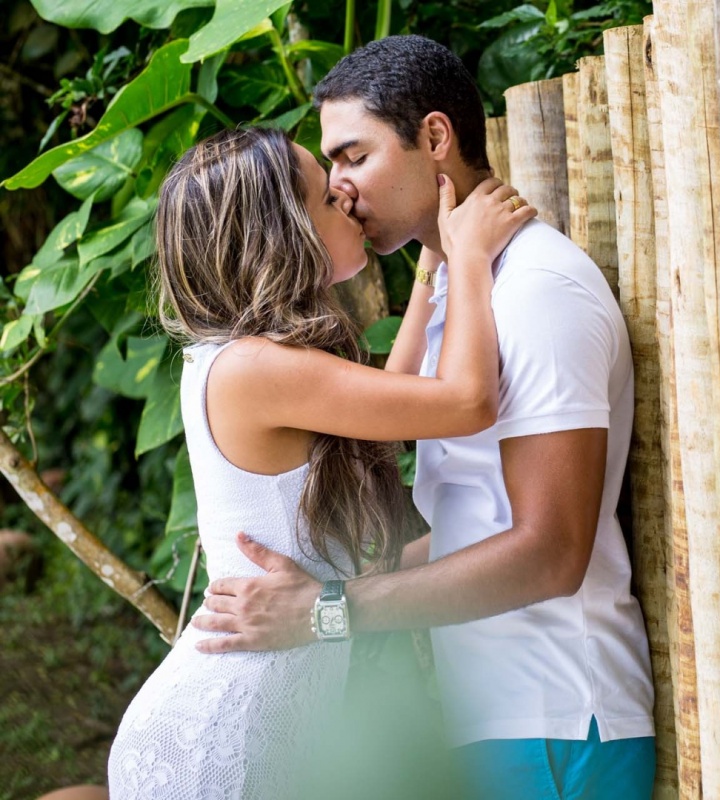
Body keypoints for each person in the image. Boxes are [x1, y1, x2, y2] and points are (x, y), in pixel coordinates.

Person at [191, 35, 657, 800]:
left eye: (352, 156)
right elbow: (477, 513)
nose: (339, 190)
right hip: (497, 720)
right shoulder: (459, 294)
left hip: (557, 721)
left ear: (434, 138)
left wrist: (329, 612)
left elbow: (551, 550)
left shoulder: (535, 291)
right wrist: (335, 579)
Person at [106, 125, 535, 797]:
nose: (349, 198)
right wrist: (472, 259)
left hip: (275, 717)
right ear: (282, 235)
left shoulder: (242, 358)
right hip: (226, 736)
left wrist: (435, 263)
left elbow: (389, 418)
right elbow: (465, 401)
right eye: (326, 199)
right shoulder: (253, 368)